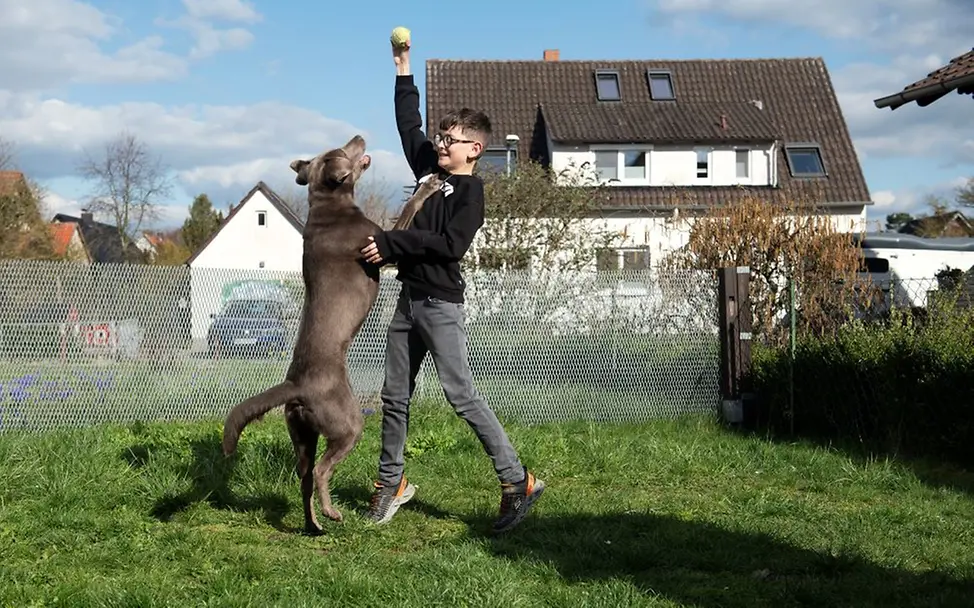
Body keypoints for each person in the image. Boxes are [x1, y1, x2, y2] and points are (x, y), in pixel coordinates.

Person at [359, 32, 544, 534]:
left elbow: (449, 244)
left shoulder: (470, 191)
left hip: (440, 304)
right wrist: (403, 67)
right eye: (441, 137)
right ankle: (390, 482)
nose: (440, 143)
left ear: (474, 148)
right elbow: (408, 124)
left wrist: (393, 244)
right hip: (408, 302)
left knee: (461, 395)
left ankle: (517, 480)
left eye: (451, 139)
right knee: (394, 397)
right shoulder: (428, 171)